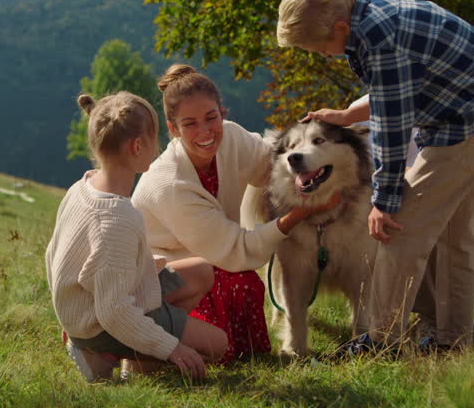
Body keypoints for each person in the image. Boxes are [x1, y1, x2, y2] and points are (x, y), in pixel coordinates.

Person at [277, 0, 474, 354]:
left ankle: (382, 340)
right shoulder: (374, 15)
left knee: (398, 228)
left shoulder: (380, 40)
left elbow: (392, 129)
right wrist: (347, 115)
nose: (322, 54)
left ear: (341, 28)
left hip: (467, 123)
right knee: (456, 235)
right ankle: (453, 341)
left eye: (319, 47)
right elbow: (396, 86)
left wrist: (385, 200)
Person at [132, 65, 340, 363]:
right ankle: (148, 346)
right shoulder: (170, 184)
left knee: (239, 281)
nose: (205, 131)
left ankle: (225, 350)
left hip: (209, 258)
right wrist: (301, 213)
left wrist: (313, 151)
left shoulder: (230, 137)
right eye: (189, 124)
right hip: (159, 279)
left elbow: (271, 160)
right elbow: (236, 250)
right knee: (237, 280)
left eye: (211, 118)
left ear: (222, 112)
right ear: (173, 128)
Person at [46, 91, 227, 383]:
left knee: (201, 271)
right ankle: (103, 355)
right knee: (217, 346)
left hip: (83, 310)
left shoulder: (84, 185)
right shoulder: (115, 220)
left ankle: (135, 352)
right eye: (155, 138)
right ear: (138, 146)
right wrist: (172, 349)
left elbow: (55, 256)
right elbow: (114, 311)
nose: (159, 146)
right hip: (98, 324)